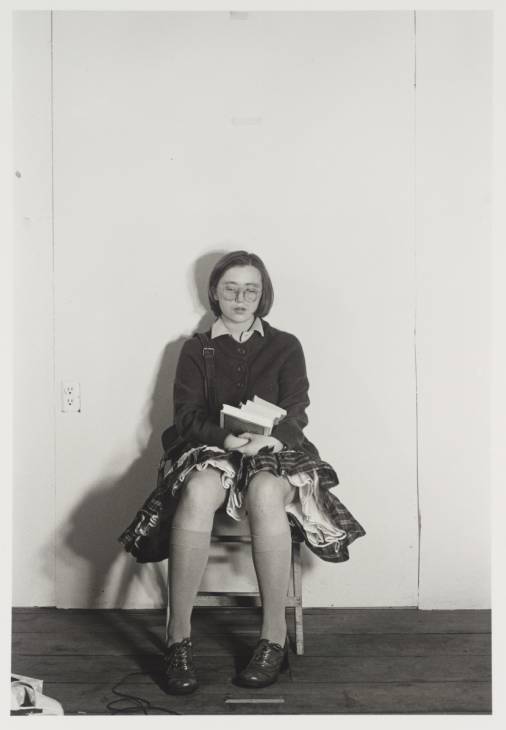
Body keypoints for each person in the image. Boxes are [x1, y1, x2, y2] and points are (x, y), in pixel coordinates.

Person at [119, 250, 365, 695]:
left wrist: (270, 441)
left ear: (262, 295)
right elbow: (186, 416)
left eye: (251, 290)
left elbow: (296, 410)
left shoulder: (286, 345)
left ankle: (273, 638)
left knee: (265, 491)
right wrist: (226, 439)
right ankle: (178, 639)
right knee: (198, 489)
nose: (240, 298)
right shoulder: (195, 349)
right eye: (231, 289)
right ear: (214, 292)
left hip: (272, 449)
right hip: (215, 447)